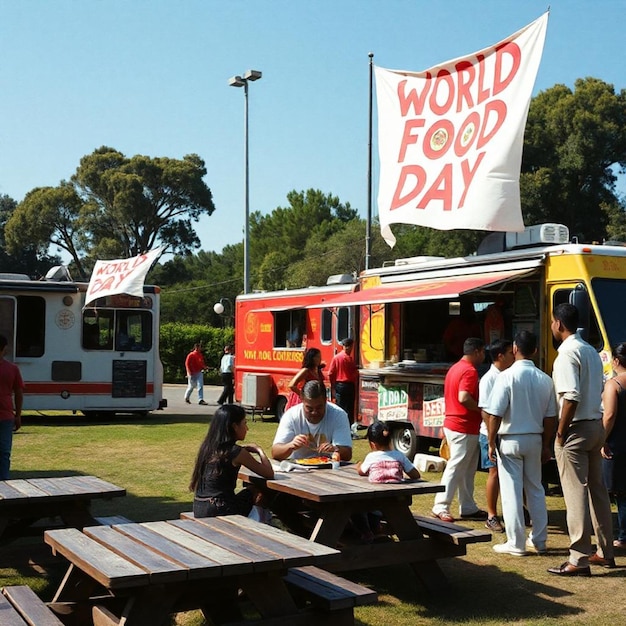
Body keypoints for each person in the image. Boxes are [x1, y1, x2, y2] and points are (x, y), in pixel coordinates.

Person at [547, 303, 615, 576]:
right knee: (597, 491)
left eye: (553, 322)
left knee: (575, 493)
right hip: (595, 426)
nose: (552, 326)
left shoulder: (565, 354)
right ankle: (605, 551)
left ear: (559, 325)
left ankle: (578, 558)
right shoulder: (590, 350)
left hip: (575, 428)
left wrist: (561, 432)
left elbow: (571, 397)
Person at [487, 331, 557, 556]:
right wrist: (546, 444)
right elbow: (550, 417)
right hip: (535, 439)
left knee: (511, 492)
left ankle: (515, 542)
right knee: (535, 489)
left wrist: (490, 442)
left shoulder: (505, 377)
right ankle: (539, 539)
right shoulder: (545, 379)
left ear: (515, 348)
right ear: (535, 350)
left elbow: (495, 414)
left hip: (510, 439)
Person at [432, 337, 487, 523]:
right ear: (478, 351)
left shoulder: (455, 368)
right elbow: (464, 397)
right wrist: (481, 409)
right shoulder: (470, 371)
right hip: (463, 425)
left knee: (466, 468)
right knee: (457, 467)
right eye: (483, 352)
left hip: (455, 423)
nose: (484, 356)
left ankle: (468, 506)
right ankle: (441, 505)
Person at [189, 404, 274, 517]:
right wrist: (259, 451)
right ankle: (256, 527)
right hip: (220, 509)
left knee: (247, 493)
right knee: (258, 491)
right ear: (234, 426)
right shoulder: (236, 452)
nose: (247, 428)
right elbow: (269, 473)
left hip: (199, 507)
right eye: (244, 423)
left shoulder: (207, 448)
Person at [478, 339, 514, 533]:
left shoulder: (508, 375)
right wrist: (492, 435)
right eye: (510, 352)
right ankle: (491, 515)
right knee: (494, 473)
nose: (513, 356)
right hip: (491, 434)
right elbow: (485, 410)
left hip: (506, 433)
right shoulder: (489, 379)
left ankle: (517, 511)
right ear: (500, 356)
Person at [272, 380, 352, 461]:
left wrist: (335, 448)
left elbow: (348, 455)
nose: (314, 412)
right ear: (302, 400)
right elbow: (275, 453)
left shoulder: (338, 415)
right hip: (298, 469)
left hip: (327, 468)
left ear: (325, 400)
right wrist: (290, 445)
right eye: (309, 408)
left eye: (319, 407)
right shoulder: (291, 415)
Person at [601, 342, 626, 551]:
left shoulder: (614, 384)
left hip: (618, 442)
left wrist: (601, 439)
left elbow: (609, 415)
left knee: (620, 491)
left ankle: (623, 535)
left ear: (616, 361)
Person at [357, 421, 421, 483]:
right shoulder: (399, 456)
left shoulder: (371, 457)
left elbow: (361, 472)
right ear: (390, 440)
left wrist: (359, 466)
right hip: (398, 492)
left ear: (373, 444)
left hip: (376, 491)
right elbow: (416, 475)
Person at [0, 334, 24, 480]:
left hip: (6, 416)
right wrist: (18, 415)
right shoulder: (12, 369)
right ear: (4, 349)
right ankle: (3, 483)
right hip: (6, 415)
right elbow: (19, 393)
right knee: (4, 452)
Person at [328, 337, 358, 425]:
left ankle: (339, 425)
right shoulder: (350, 359)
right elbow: (354, 373)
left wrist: (333, 386)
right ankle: (348, 427)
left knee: (340, 407)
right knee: (349, 408)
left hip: (339, 385)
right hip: (349, 385)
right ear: (350, 347)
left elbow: (330, 373)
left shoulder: (336, 358)